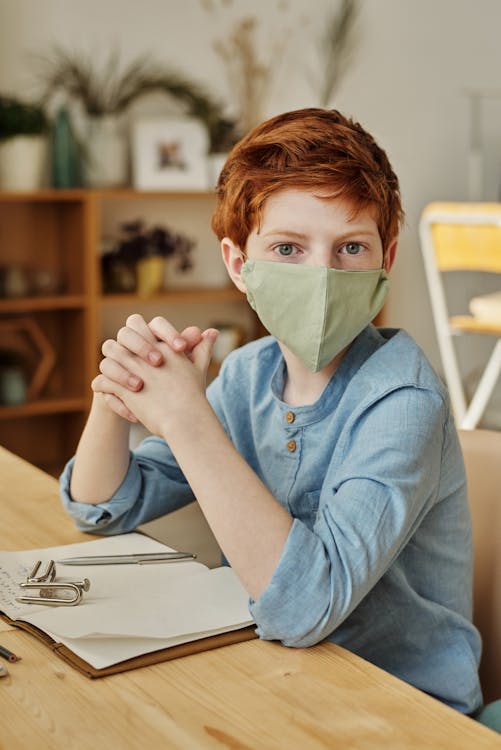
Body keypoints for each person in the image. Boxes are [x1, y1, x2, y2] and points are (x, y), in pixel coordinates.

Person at [60, 108, 482, 715]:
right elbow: (104, 505)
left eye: (350, 248)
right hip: (283, 685)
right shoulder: (247, 374)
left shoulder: (403, 399)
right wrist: (119, 389)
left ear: (385, 261)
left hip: (408, 712)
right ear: (239, 264)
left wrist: (185, 419)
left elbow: (306, 606)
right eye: (288, 247)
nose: (321, 275)